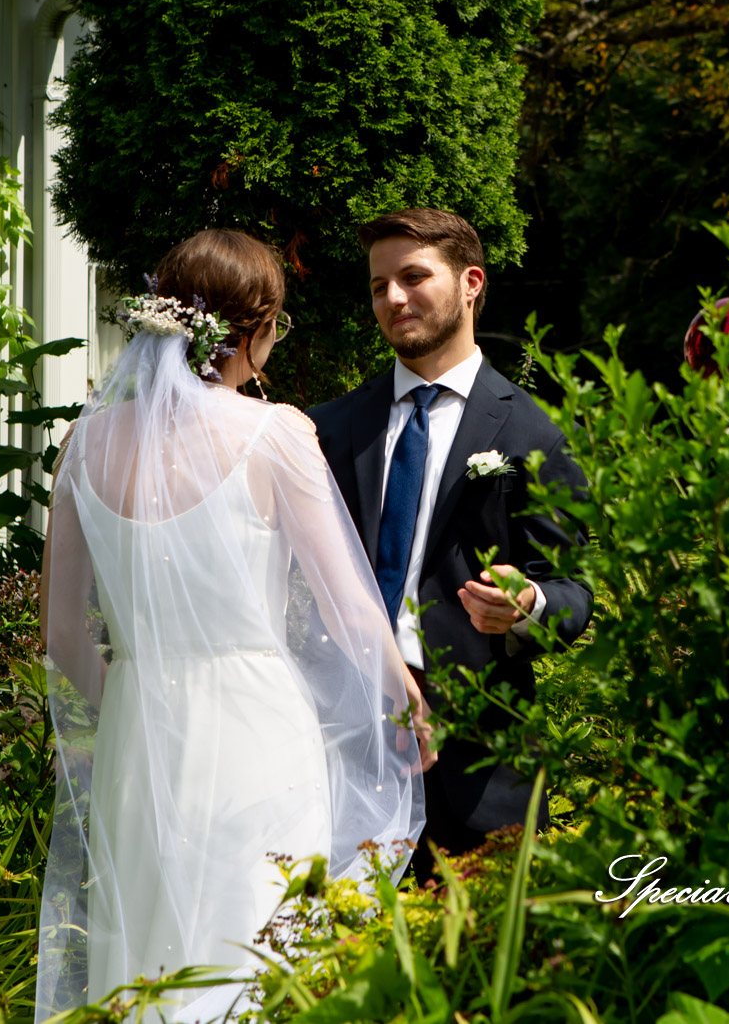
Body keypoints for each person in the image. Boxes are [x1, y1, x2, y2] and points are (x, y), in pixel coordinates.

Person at [35, 229, 433, 1023]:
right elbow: (349, 607)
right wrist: (405, 701)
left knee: (147, 955)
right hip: (258, 730)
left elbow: (63, 634)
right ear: (253, 329)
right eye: (277, 325)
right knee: (257, 943)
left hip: (138, 735)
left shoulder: (85, 442)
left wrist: (136, 704)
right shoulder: (275, 432)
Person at [309, 208, 593, 886]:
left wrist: (528, 604)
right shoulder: (330, 428)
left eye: (413, 277)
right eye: (379, 286)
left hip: (480, 770)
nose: (393, 298)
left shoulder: (533, 434)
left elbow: (574, 593)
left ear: (471, 283)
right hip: (344, 753)